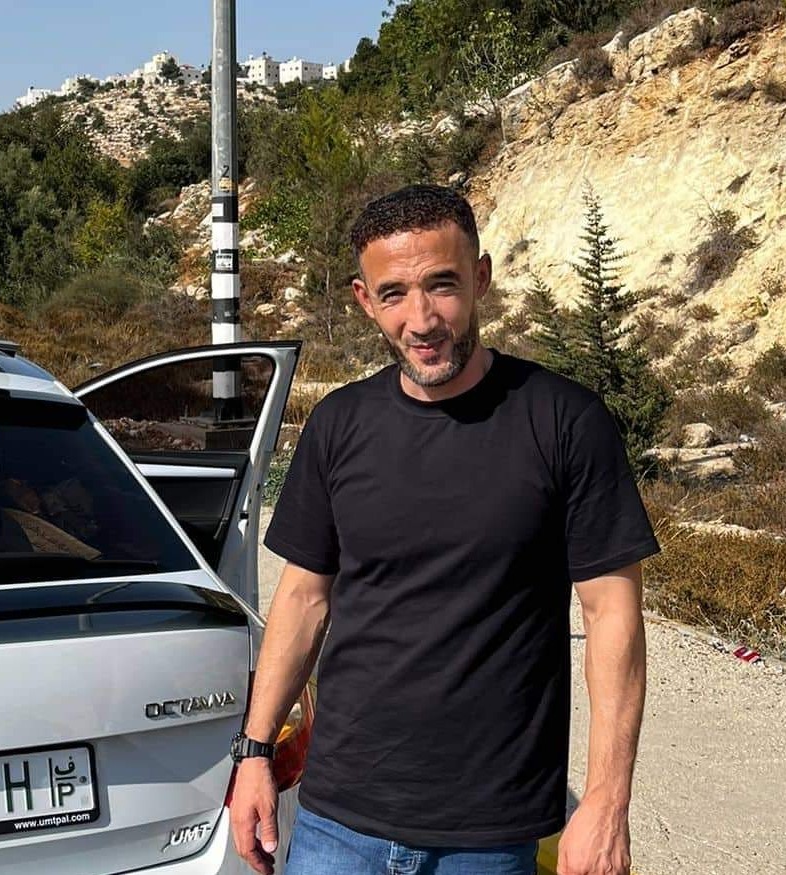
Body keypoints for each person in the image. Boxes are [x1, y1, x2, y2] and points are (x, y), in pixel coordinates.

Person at [229, 184, 660, 875]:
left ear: (480, 277)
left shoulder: (564, 421)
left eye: (442, 285)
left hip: (488, 833)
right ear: (364, 300)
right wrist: (254, 753)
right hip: (337, 820)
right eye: (394, 294)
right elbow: (303, 598)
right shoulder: (339, 424)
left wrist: (607, 802)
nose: (422, 319)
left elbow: (612, 615)